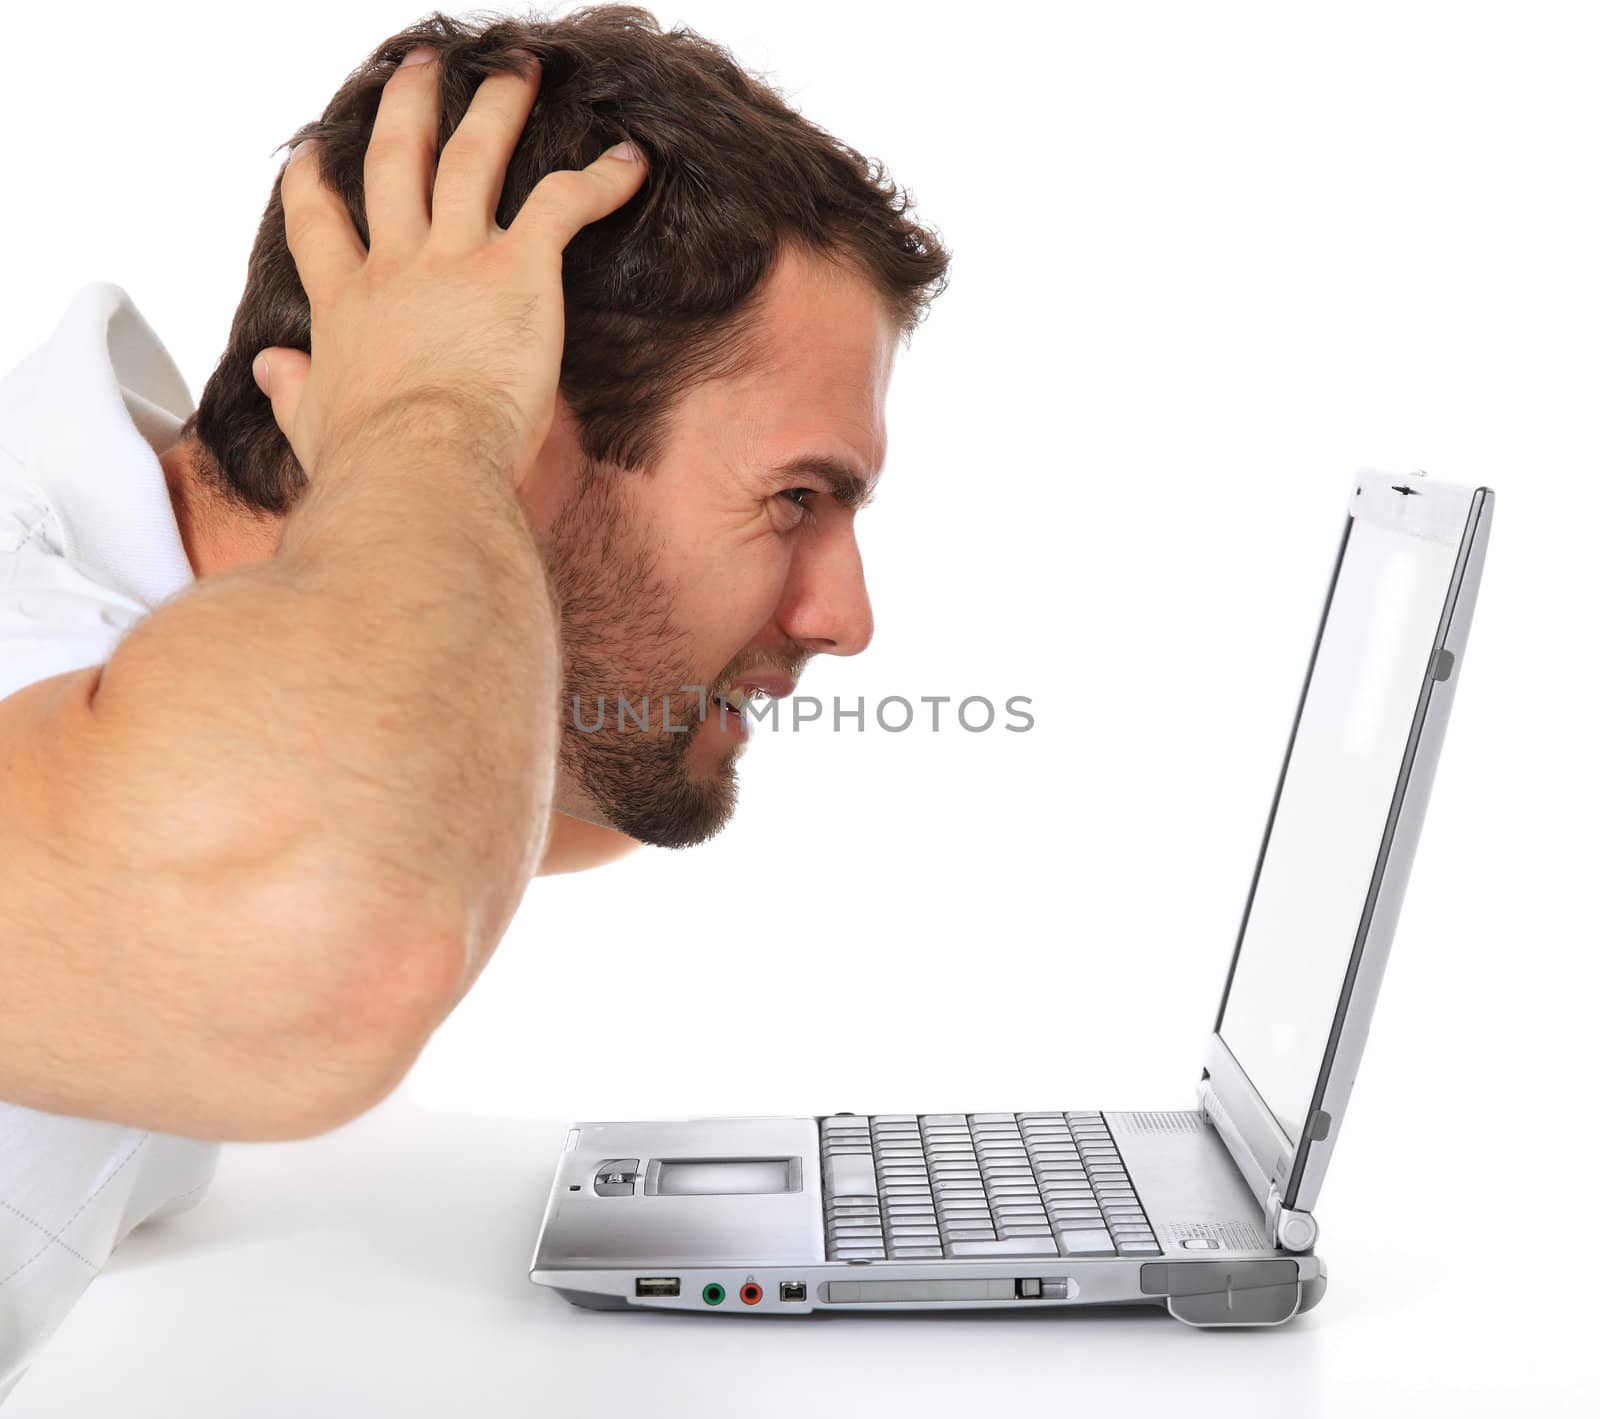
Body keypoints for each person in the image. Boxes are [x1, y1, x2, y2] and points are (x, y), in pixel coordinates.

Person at [0, 3, 949, 1393]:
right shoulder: (32, 633)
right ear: (508, 429)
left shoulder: (182, 606)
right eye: (793, 500)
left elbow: (502, 781)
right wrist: (429, 416)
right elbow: (338, 951)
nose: (842, 618)